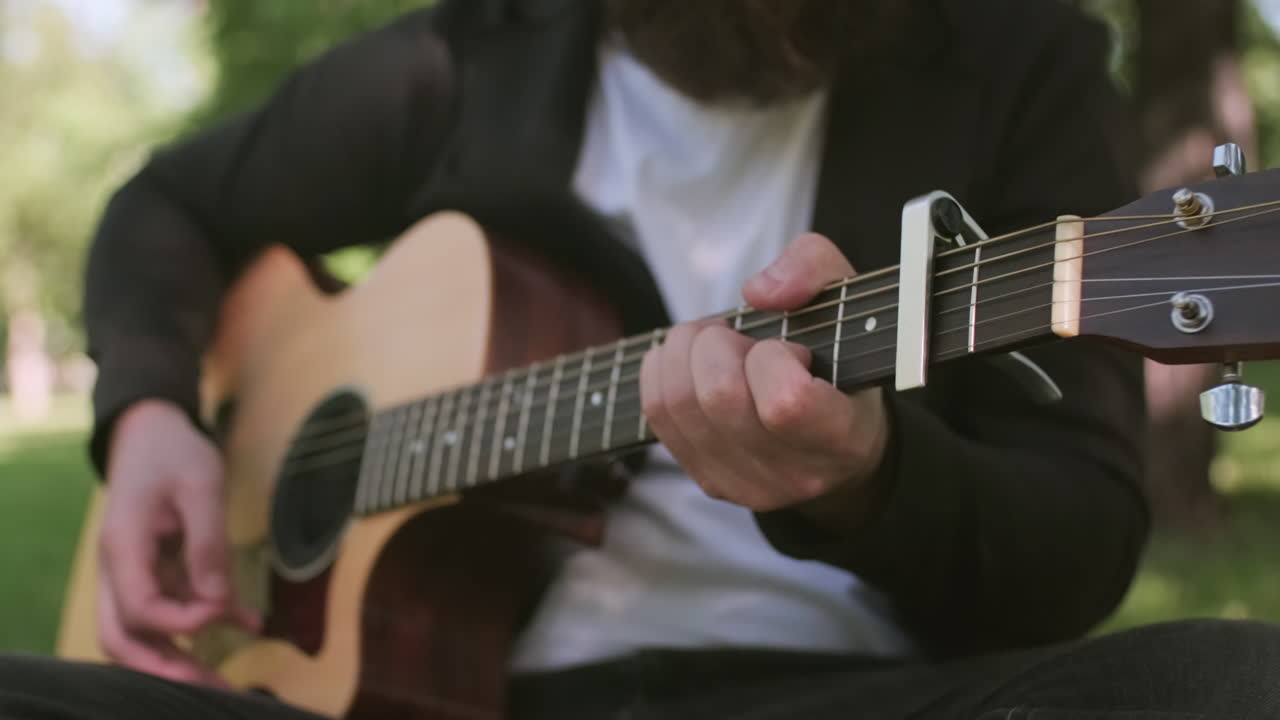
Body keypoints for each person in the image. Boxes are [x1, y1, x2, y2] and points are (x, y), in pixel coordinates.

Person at [4, 0, 1280, 718]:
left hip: (825, 695)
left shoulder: (1017, 61)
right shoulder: (471, 56)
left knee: (1227, 687)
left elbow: (1078, 542)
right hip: (433, 696)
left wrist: (866, 483)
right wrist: (153, 415)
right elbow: (163, 207)